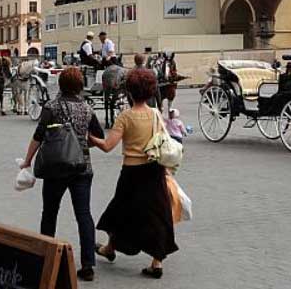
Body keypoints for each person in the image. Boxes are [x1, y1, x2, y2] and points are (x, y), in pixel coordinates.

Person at [90, 67, 178, 279]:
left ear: (129, 91)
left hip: (131, 172)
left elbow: (108, 146)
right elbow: (162, 142)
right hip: (154, 170)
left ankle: (110, 248)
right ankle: (156, 262)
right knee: (158, 214)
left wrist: (90, 138)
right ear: (150, 92)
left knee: (119, 210)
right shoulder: (156, 114)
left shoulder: (125, 117)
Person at [20, 67, 103, 282]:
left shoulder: (52, 106)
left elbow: (38, 135)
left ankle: (45, 256)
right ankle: (88, 265)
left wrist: (27, 161)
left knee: (50, 212)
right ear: (79, 86)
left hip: (55, 168)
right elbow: (98, 136)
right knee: (84, 214)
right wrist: (80, 144)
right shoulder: (87, 108)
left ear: (61, 84)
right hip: (82, 167)